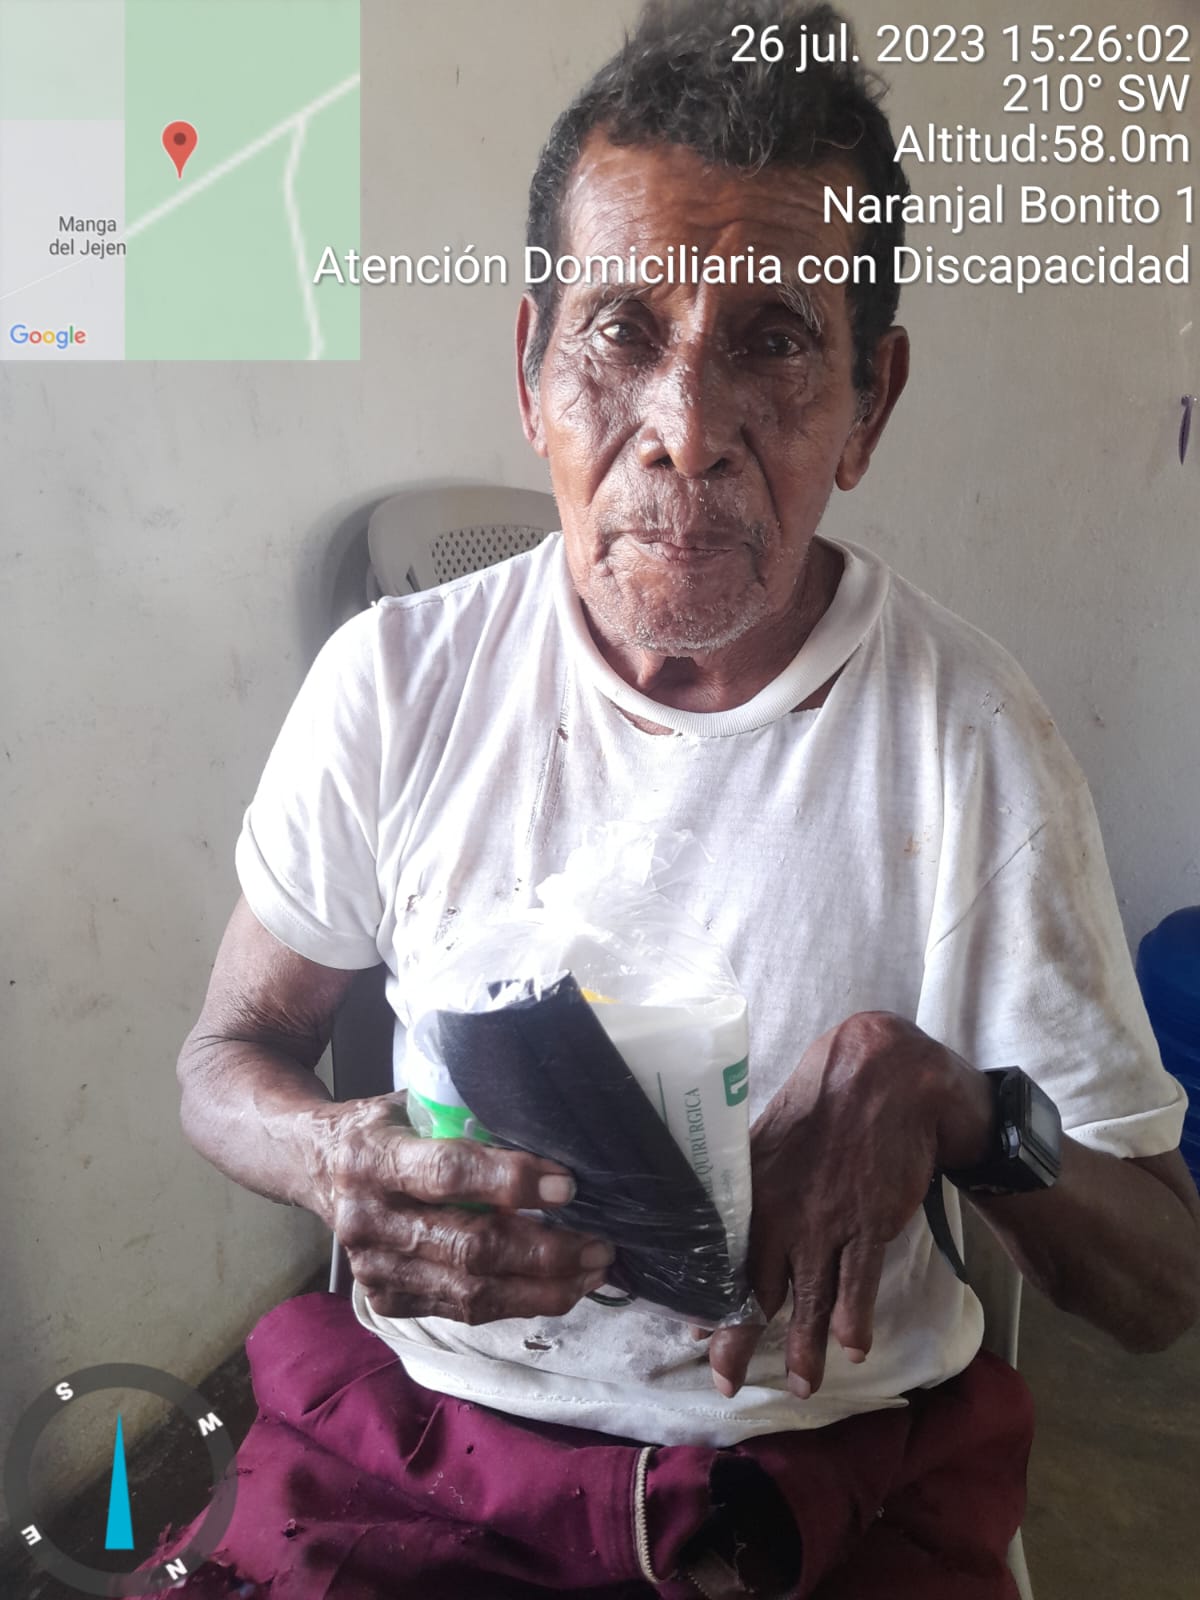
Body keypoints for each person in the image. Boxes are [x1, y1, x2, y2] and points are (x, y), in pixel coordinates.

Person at [162, 2, 1198, 1595]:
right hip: (438, 1443)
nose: (688, 433)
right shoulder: (397, 683)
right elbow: (226, 1056)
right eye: (623, 331)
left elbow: (1159, 1289)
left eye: (774, 341)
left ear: (870, 403)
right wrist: (332, 1159)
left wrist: (962, 1111)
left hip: (816, 1472)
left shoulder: (968, 737)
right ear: (531, 370)